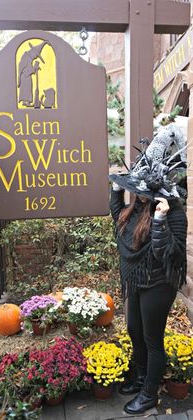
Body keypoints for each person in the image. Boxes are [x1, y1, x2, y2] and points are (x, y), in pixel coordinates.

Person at [109, 123, 187, 415]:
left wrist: (159, 221)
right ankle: (140, 377)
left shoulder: (174, 213)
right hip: (139, 279)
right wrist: (116, 192)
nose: (137, 194)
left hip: (159, 282)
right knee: (134, 330)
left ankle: (150, 394)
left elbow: (170, 254)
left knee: (152, 338)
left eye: (140, 190)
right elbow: (120, 222)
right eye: (134, 189)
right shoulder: (139, 206)